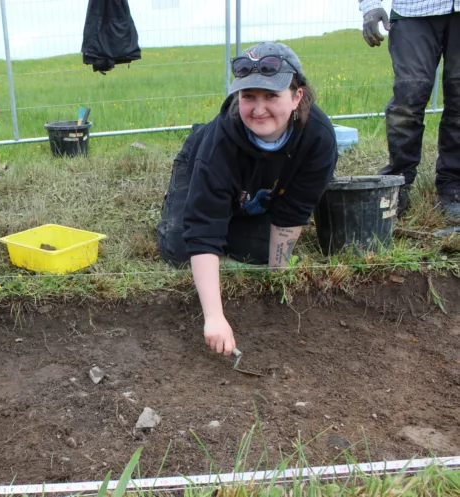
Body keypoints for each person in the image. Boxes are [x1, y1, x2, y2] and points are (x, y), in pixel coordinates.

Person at [157, 42, 338, 356]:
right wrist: (215, 318)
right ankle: (200, 218)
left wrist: (277, 273)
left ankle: (231, 222)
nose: (258, 109)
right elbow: (203, 229)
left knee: (261, 251)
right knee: (179, 247)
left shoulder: (318, 138)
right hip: (197, 162)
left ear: (297, 97)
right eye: (248, 96)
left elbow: (294, 210)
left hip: (257, 189)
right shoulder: (218, 146)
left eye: (271, 96)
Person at [360, 0, 460, 221]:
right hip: (414, 10)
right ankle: (399, 181)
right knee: (409, 95)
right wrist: (370, 6)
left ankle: (453, 185)